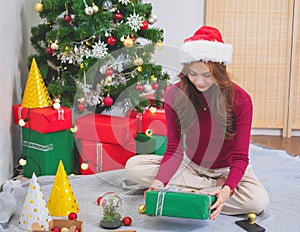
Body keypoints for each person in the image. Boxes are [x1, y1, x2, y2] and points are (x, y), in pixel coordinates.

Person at [125, 26, 269, 220]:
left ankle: (196, 191)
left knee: (258, 201)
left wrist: (227, 189)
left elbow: (241, 157)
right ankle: (208, 191)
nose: (199, 81)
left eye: (207, 75)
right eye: (193, 74)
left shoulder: (241, 99)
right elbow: (174, 149)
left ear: (219, 72)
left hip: (227, 168)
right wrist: (159, 182)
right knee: (133, 167)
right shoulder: (175, 95)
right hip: (191, 165)